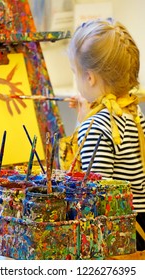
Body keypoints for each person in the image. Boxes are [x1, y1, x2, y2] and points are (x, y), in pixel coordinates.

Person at [67, 17, 145, 251]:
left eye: (75, 72)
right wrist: (85, 120)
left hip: (117, 233)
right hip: (139, 223)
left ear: (89, 77)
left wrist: (84, 124)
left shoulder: (98, 126)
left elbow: (96, 194)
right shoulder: (134, 111)